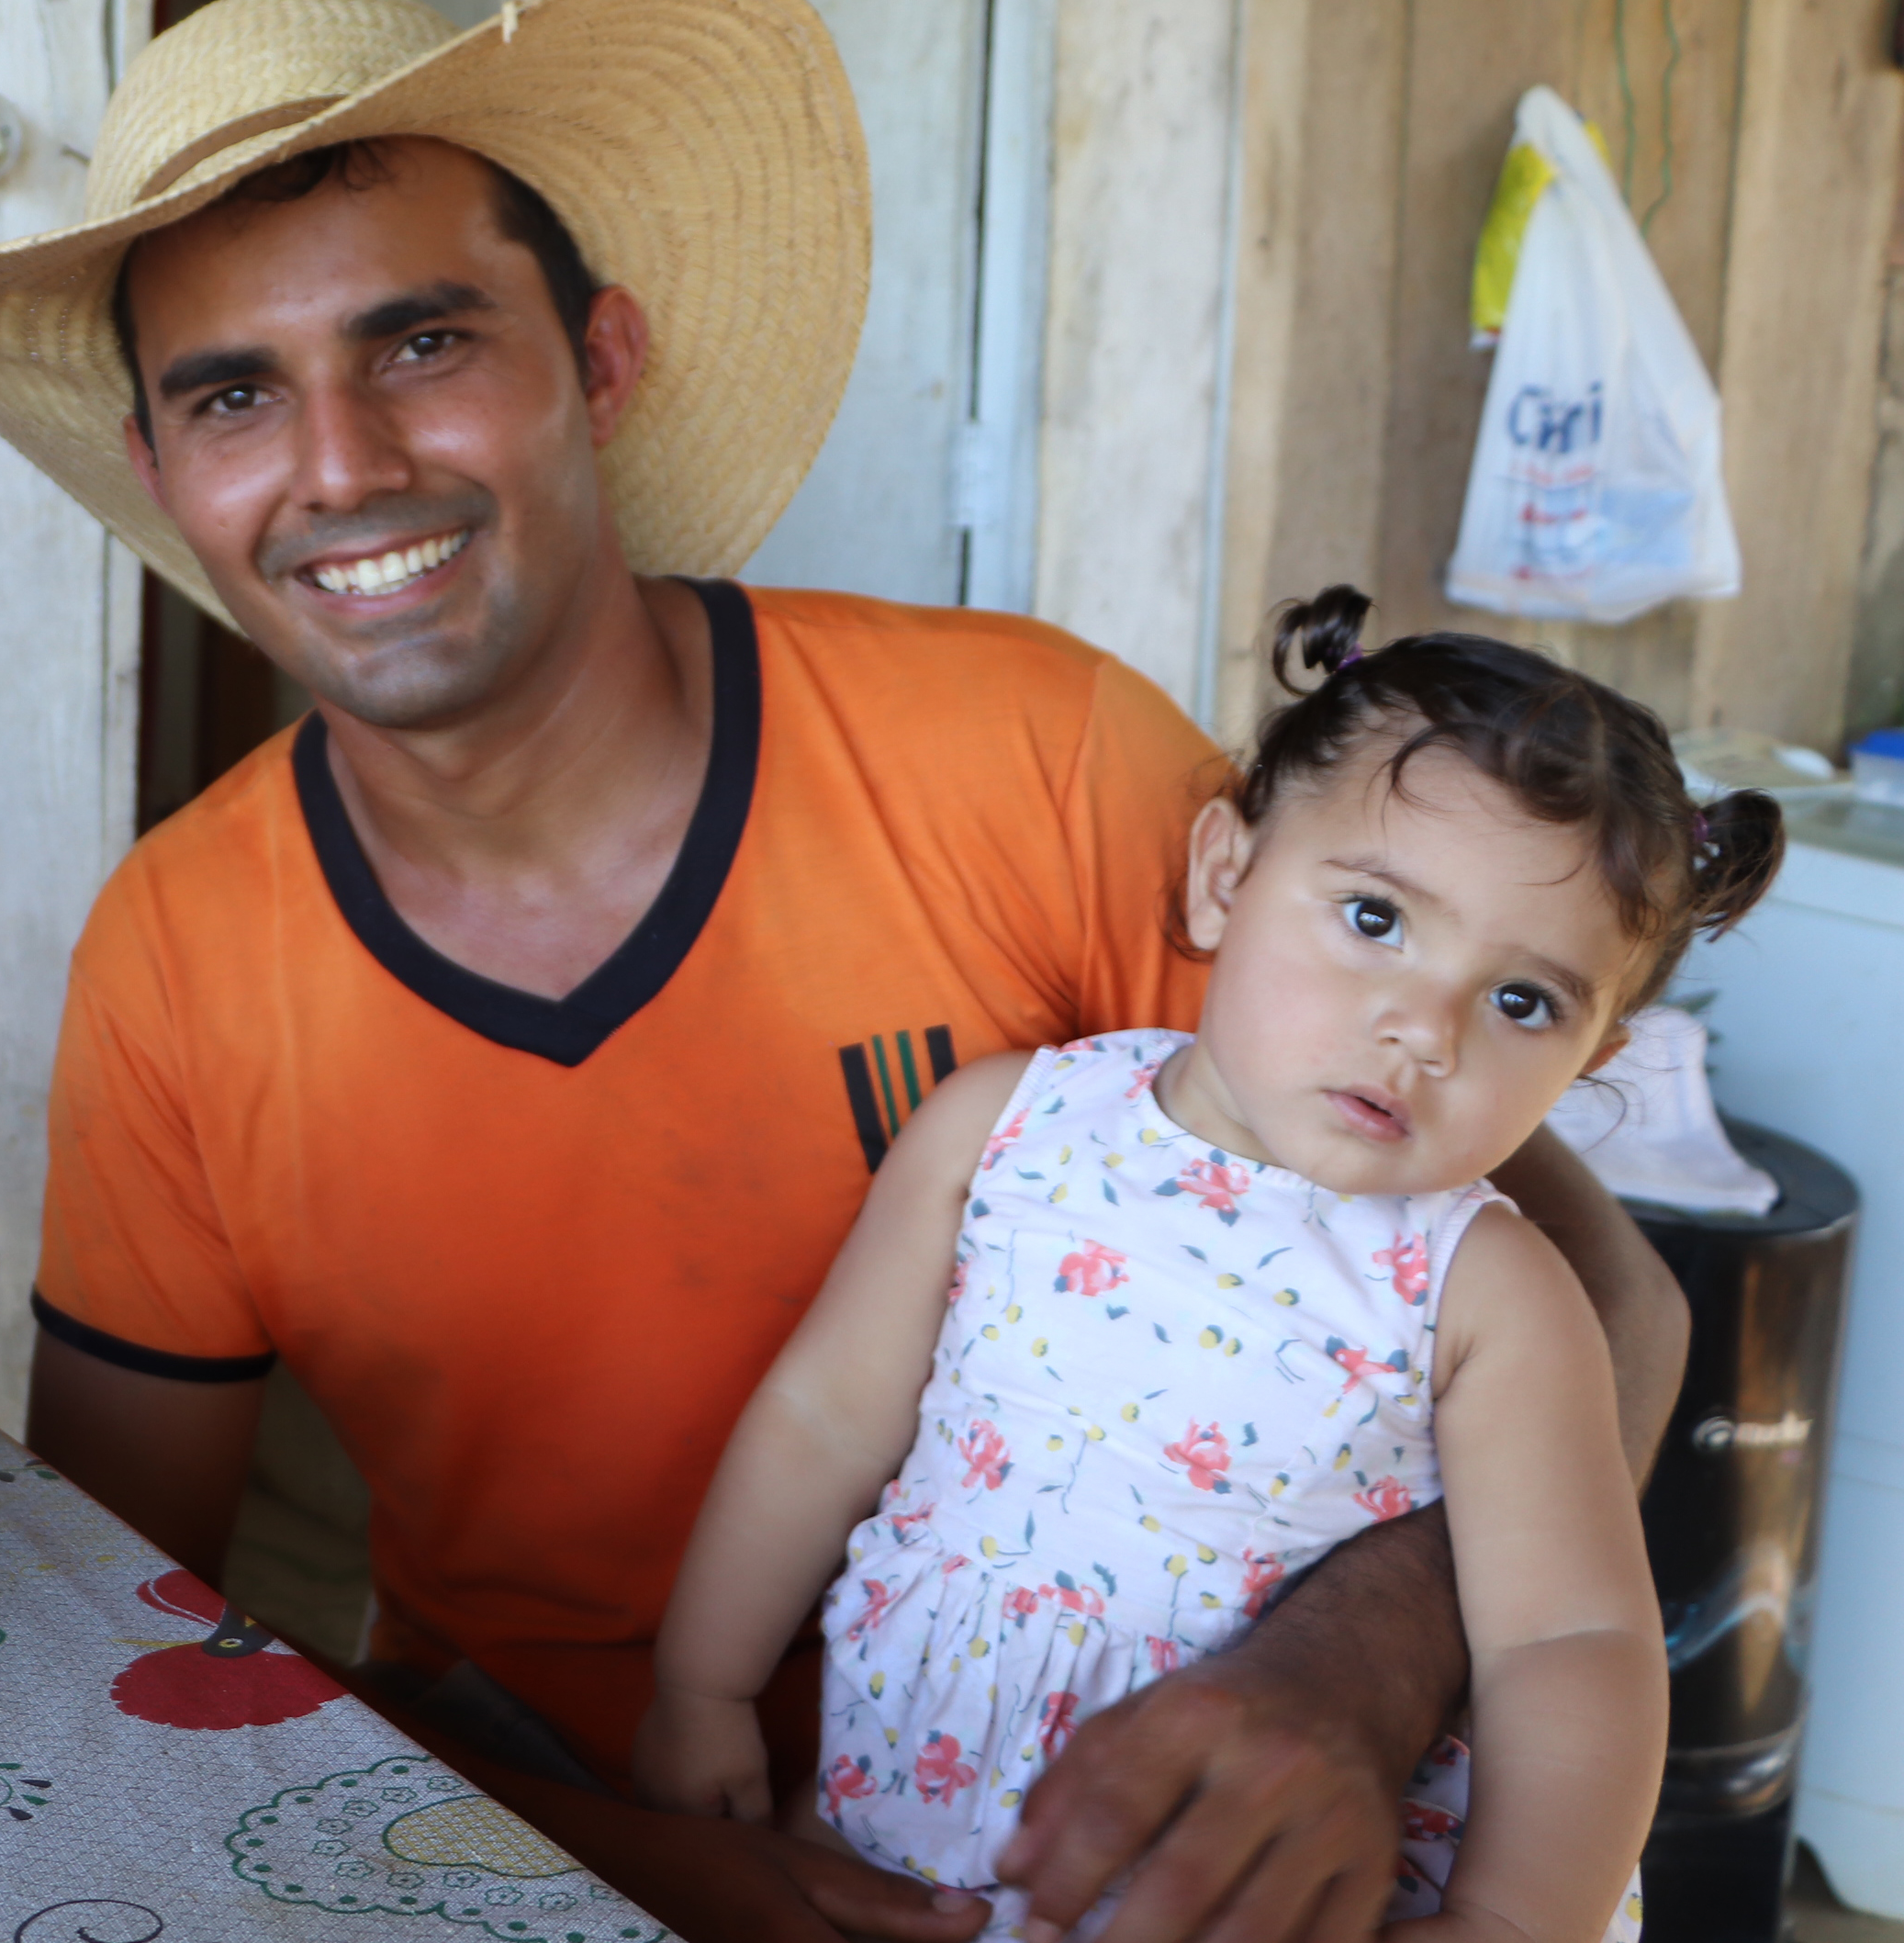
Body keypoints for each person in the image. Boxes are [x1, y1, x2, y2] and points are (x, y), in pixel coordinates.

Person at [0, 0, 1689, 1942]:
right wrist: (680, 1871)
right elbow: (137, 1629)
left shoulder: (1034, 759)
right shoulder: (179, 956)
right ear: (163, 470)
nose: (340, 465)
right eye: (234, 395)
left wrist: (1352, 1675)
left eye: (423, 341)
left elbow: (1602, 1313)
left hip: (1141, 1824)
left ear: (602, 361)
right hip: (539, 1804)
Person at [641, 587, 1779, 1941]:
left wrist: (1519, 1918)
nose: (1424, 1027)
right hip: (900, 1814)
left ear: (1590, 1061)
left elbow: (1568, 1642)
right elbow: (825, 1417)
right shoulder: (1005, 1126)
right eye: (1374, 919)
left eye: (1520, 1000)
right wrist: (704, 1685)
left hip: (1254, 1894)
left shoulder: (1494, 1293)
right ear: (1224, 874)